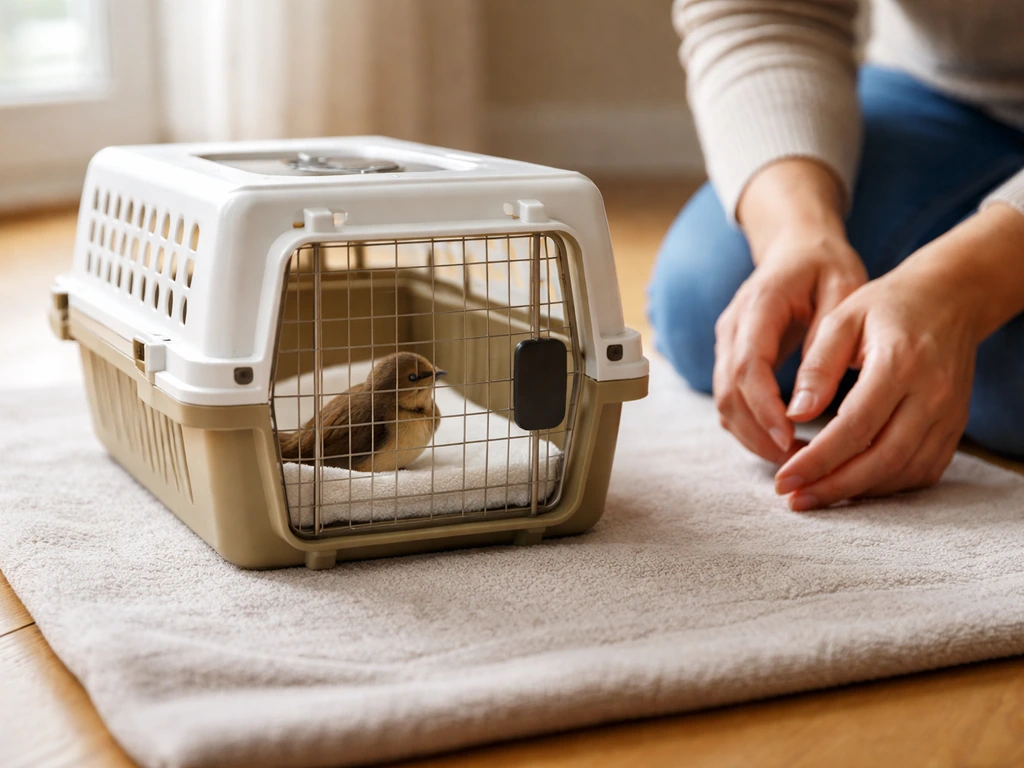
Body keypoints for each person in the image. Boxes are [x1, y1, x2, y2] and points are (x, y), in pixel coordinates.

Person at [648, 1, 1024, 512]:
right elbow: (765, 12)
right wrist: (796, 232)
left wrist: (961, 287)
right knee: (706, 300)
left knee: (1008, 386)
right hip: (944, 92)